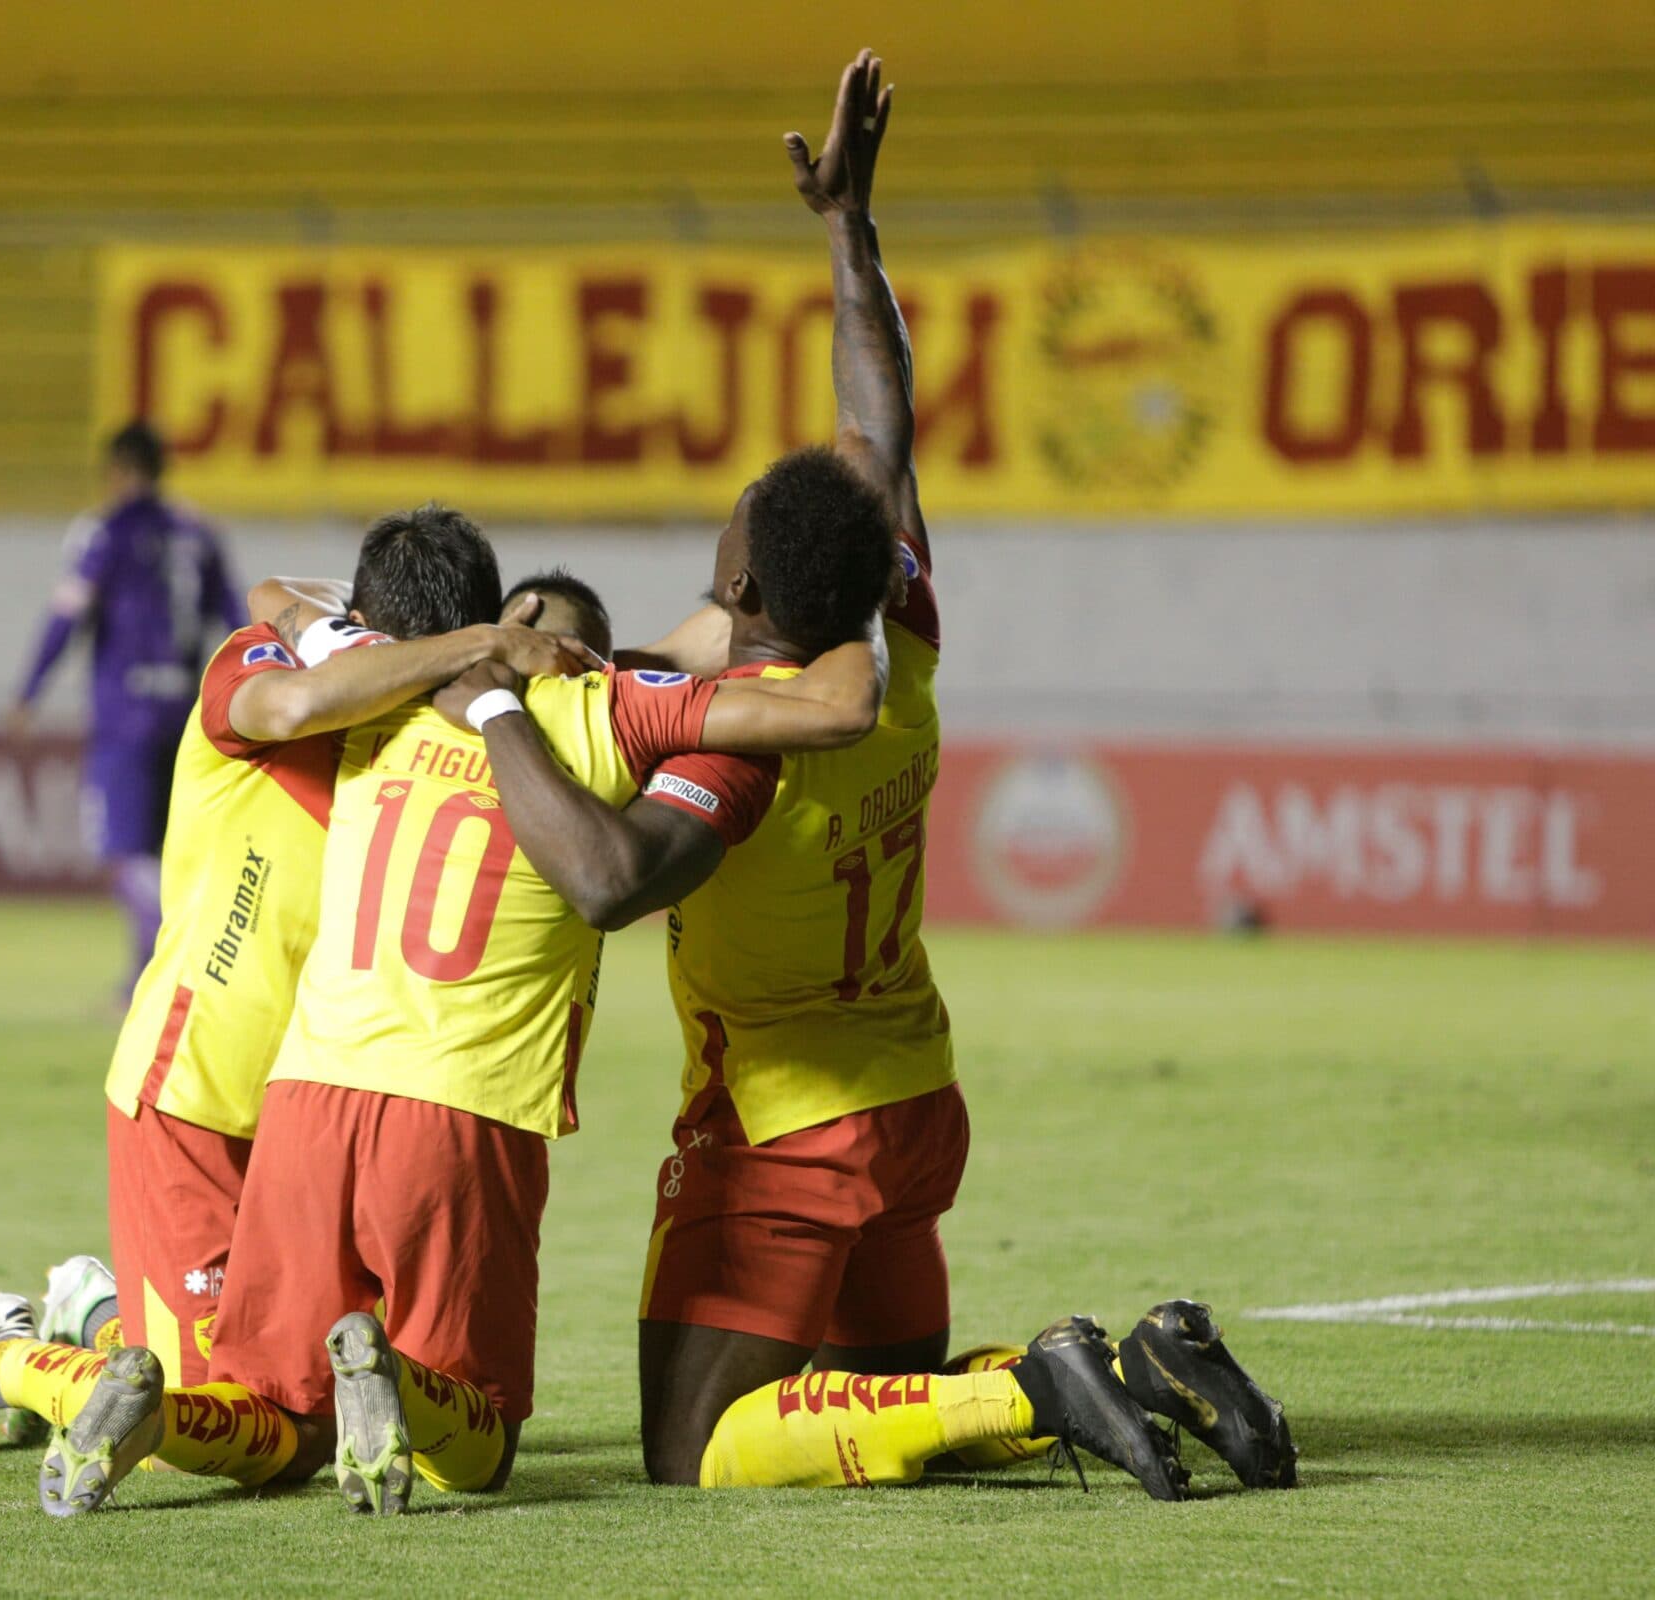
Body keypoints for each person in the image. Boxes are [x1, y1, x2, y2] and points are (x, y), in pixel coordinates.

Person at [453, 52, 1295, 1499]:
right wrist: (849, 226)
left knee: (699, 1453)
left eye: (725, 551)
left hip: (783, 1131)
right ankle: (1136, 1362)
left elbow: (608, 885)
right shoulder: (896, 624)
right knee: (886, 1397)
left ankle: (1035, 1385)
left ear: (748, 593)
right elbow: (877, 422)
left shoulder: (744, 743)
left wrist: (492, 716)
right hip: (912, 1096)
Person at [0, 556, 899, 1520]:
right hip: (457, 1104)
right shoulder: (614, 710)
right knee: (481, 1443)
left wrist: (476, 649)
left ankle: (60, 1352)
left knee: (274, 1421)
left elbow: (279, 599)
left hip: (307, 1091)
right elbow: (822, 705)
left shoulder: (387, 695)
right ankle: (359, 1372)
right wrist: (869, 592)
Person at [0, 506, 596, 1454]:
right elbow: (291, 669)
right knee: (247, 1427)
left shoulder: (443, 720)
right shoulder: (263, 667)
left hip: (320, 1117)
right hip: (197, 1085)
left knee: (303, 1415)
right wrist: (466, 640)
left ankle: (94, 1311)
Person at [7, 421, 246, 1000]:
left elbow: (68, 615)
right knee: (167, 849)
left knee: (121, 853)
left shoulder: (104, 533)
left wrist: (28, 691)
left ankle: (180, 949)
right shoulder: (200, 534)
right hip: (188, 715)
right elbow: (237, 619)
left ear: (116, 471)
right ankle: (142, 980)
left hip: (125, 716)